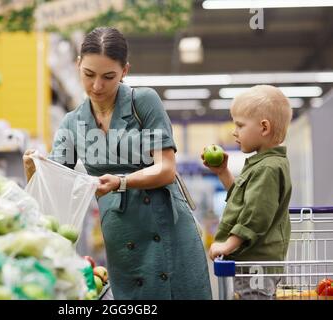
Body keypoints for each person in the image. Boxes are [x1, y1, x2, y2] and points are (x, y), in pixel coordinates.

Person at [23, 27, 212, 300]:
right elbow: (55, 191)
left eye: (108, 77)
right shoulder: (72, 123)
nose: (97, 86)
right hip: (122, 238)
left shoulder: (143, 102)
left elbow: (166, 169)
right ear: (78, 65)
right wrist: (33, 167)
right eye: (89, 75)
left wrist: (121, 181)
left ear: (124, 71)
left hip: (168, 230)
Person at [203, 85, 293, 299]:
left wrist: (228, 244)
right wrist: (223, 172)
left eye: (240, 125)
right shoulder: (262, 164)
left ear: (264, 127)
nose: (234, 131)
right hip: (253, 262)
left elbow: (256, 216)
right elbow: (245, 200)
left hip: (255, 264)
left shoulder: (268, 168)